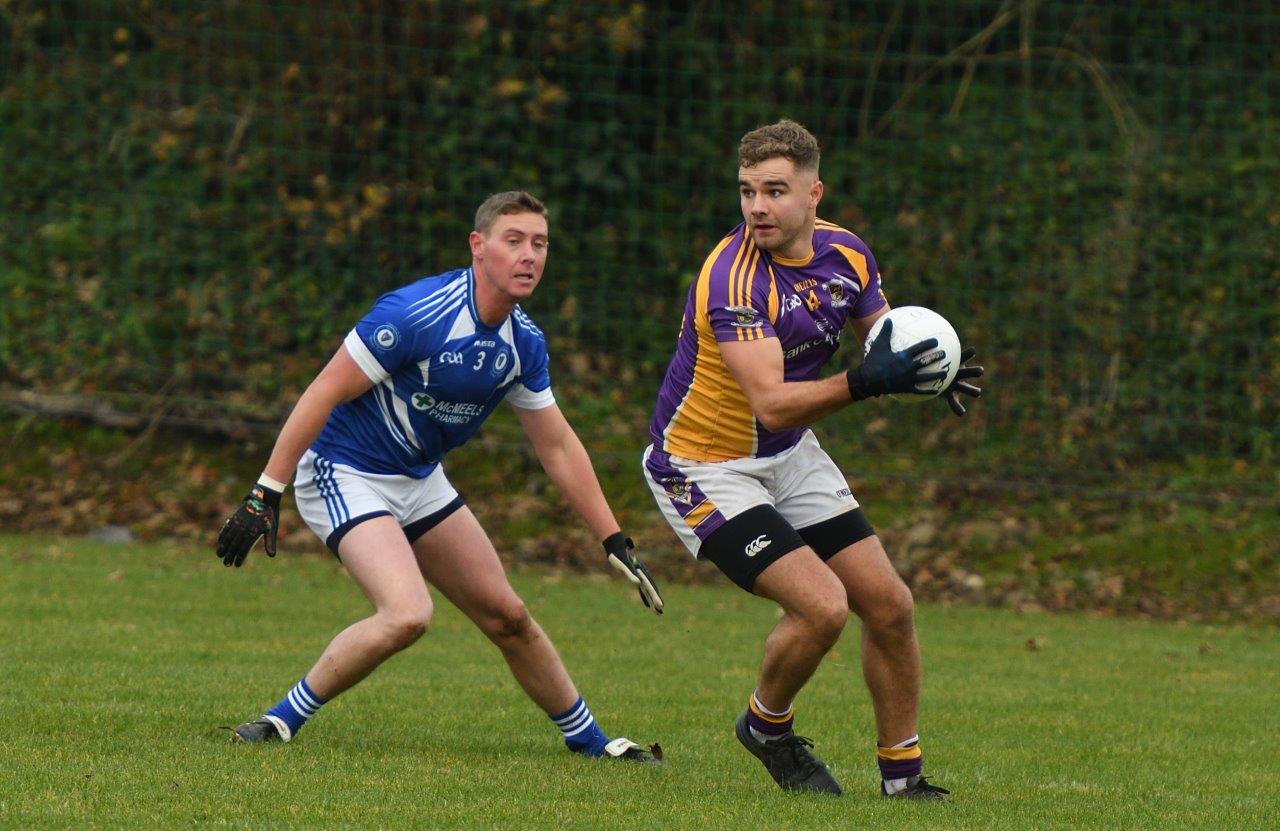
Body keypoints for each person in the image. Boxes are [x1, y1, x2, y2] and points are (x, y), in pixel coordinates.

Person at [216, 190, 664, 763]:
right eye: (514, 241)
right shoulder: (415, 314)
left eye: (540, 243)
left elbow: (555, 444)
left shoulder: (524, 342)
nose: (530, 255)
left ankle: (591, 743)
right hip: (344, 470)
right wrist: (264, 493)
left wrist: (613, 539)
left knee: (509, 615)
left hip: (420, 480)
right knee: (407, 614)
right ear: (478, 247)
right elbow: (323, 390)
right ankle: (279, 722)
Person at [642, 121, 982, 799]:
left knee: (889, 605)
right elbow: (772, 402)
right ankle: (766, 726)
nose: (758, 207)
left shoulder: (848, 256)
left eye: (775, 190)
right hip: (704, 466)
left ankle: (902, 777)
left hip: (789, 457)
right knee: (823, 607)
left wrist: (927, 369)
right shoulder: (733, 281)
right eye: (747, 192)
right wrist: (863, 381)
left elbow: (884, 338)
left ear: (813, 193)